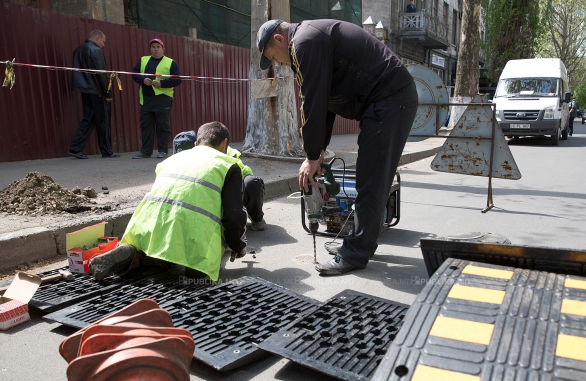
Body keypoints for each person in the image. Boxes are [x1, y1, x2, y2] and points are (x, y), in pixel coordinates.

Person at [257, 19, 417, 275]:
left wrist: (310, 156)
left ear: (278, 39)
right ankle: (358, 244)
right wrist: (318, 151)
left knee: (371, 179)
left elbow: (314, 101)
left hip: (390, 98)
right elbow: (327, 101)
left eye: (273, 57)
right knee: (370, 177)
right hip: (383, 101)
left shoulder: (305, 42)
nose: (278, 63)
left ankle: (355, 253)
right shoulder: (308, 41)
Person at [89, 122, 248, 281]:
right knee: (200, 265)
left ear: (196, 143)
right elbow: (233, 217)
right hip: (193, 237)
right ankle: (195, 267)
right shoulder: (228, 165)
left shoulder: (171, 160)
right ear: (224, 143)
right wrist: (238, 246)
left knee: (152, 252)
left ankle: (134, 253)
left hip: (147, 228)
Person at [172, 130, 267, 231]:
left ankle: (256, 217)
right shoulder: (171, 168)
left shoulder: (222, 153)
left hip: (226, 192)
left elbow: (244, 172)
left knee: (251, 183)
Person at [68, 30, 119, 159]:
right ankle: (106, 151)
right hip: (97, 90)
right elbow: (101, 73)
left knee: (88, 118)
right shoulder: (95, 50)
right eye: (103, 41)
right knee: (103, 120)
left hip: (84, 90)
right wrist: (108, 92)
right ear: (97, 38)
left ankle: (75, 148)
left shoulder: (78, 50)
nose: (103, 44)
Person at [131, 38, 182, 159]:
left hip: (163, 98)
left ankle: (163, 151)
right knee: (146, 125)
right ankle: (145, 151)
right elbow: (134, 73)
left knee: (163, 125)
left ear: (163, 49)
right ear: (150, 49)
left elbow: (178, 79)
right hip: (146, 98)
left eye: (158, 47)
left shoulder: (170, 62)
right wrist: (142, 80)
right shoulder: (143, 60)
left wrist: (162, 83)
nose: (155, 49)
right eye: (153, 47)